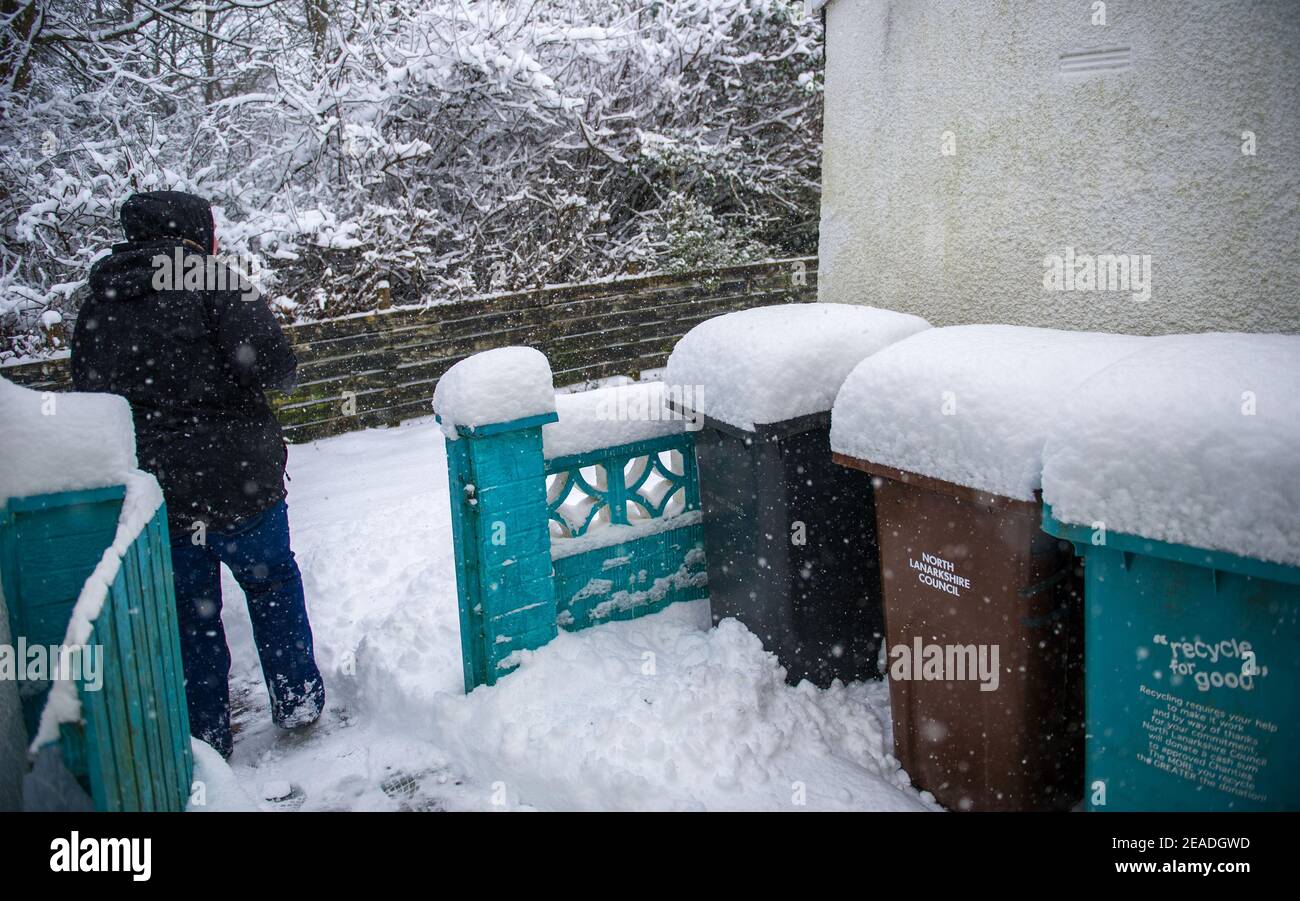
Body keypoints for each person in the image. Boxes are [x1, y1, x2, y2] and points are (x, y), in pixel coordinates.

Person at [71, 190, 323, 759]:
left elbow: (90, 399)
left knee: (191, 612)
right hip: (242, 484)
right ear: (195, 231)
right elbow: (276, 366)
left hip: (161, 492)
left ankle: (205, 733)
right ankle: (297, 698)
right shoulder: (215, 282)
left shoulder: (99, 303)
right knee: (272, 585)